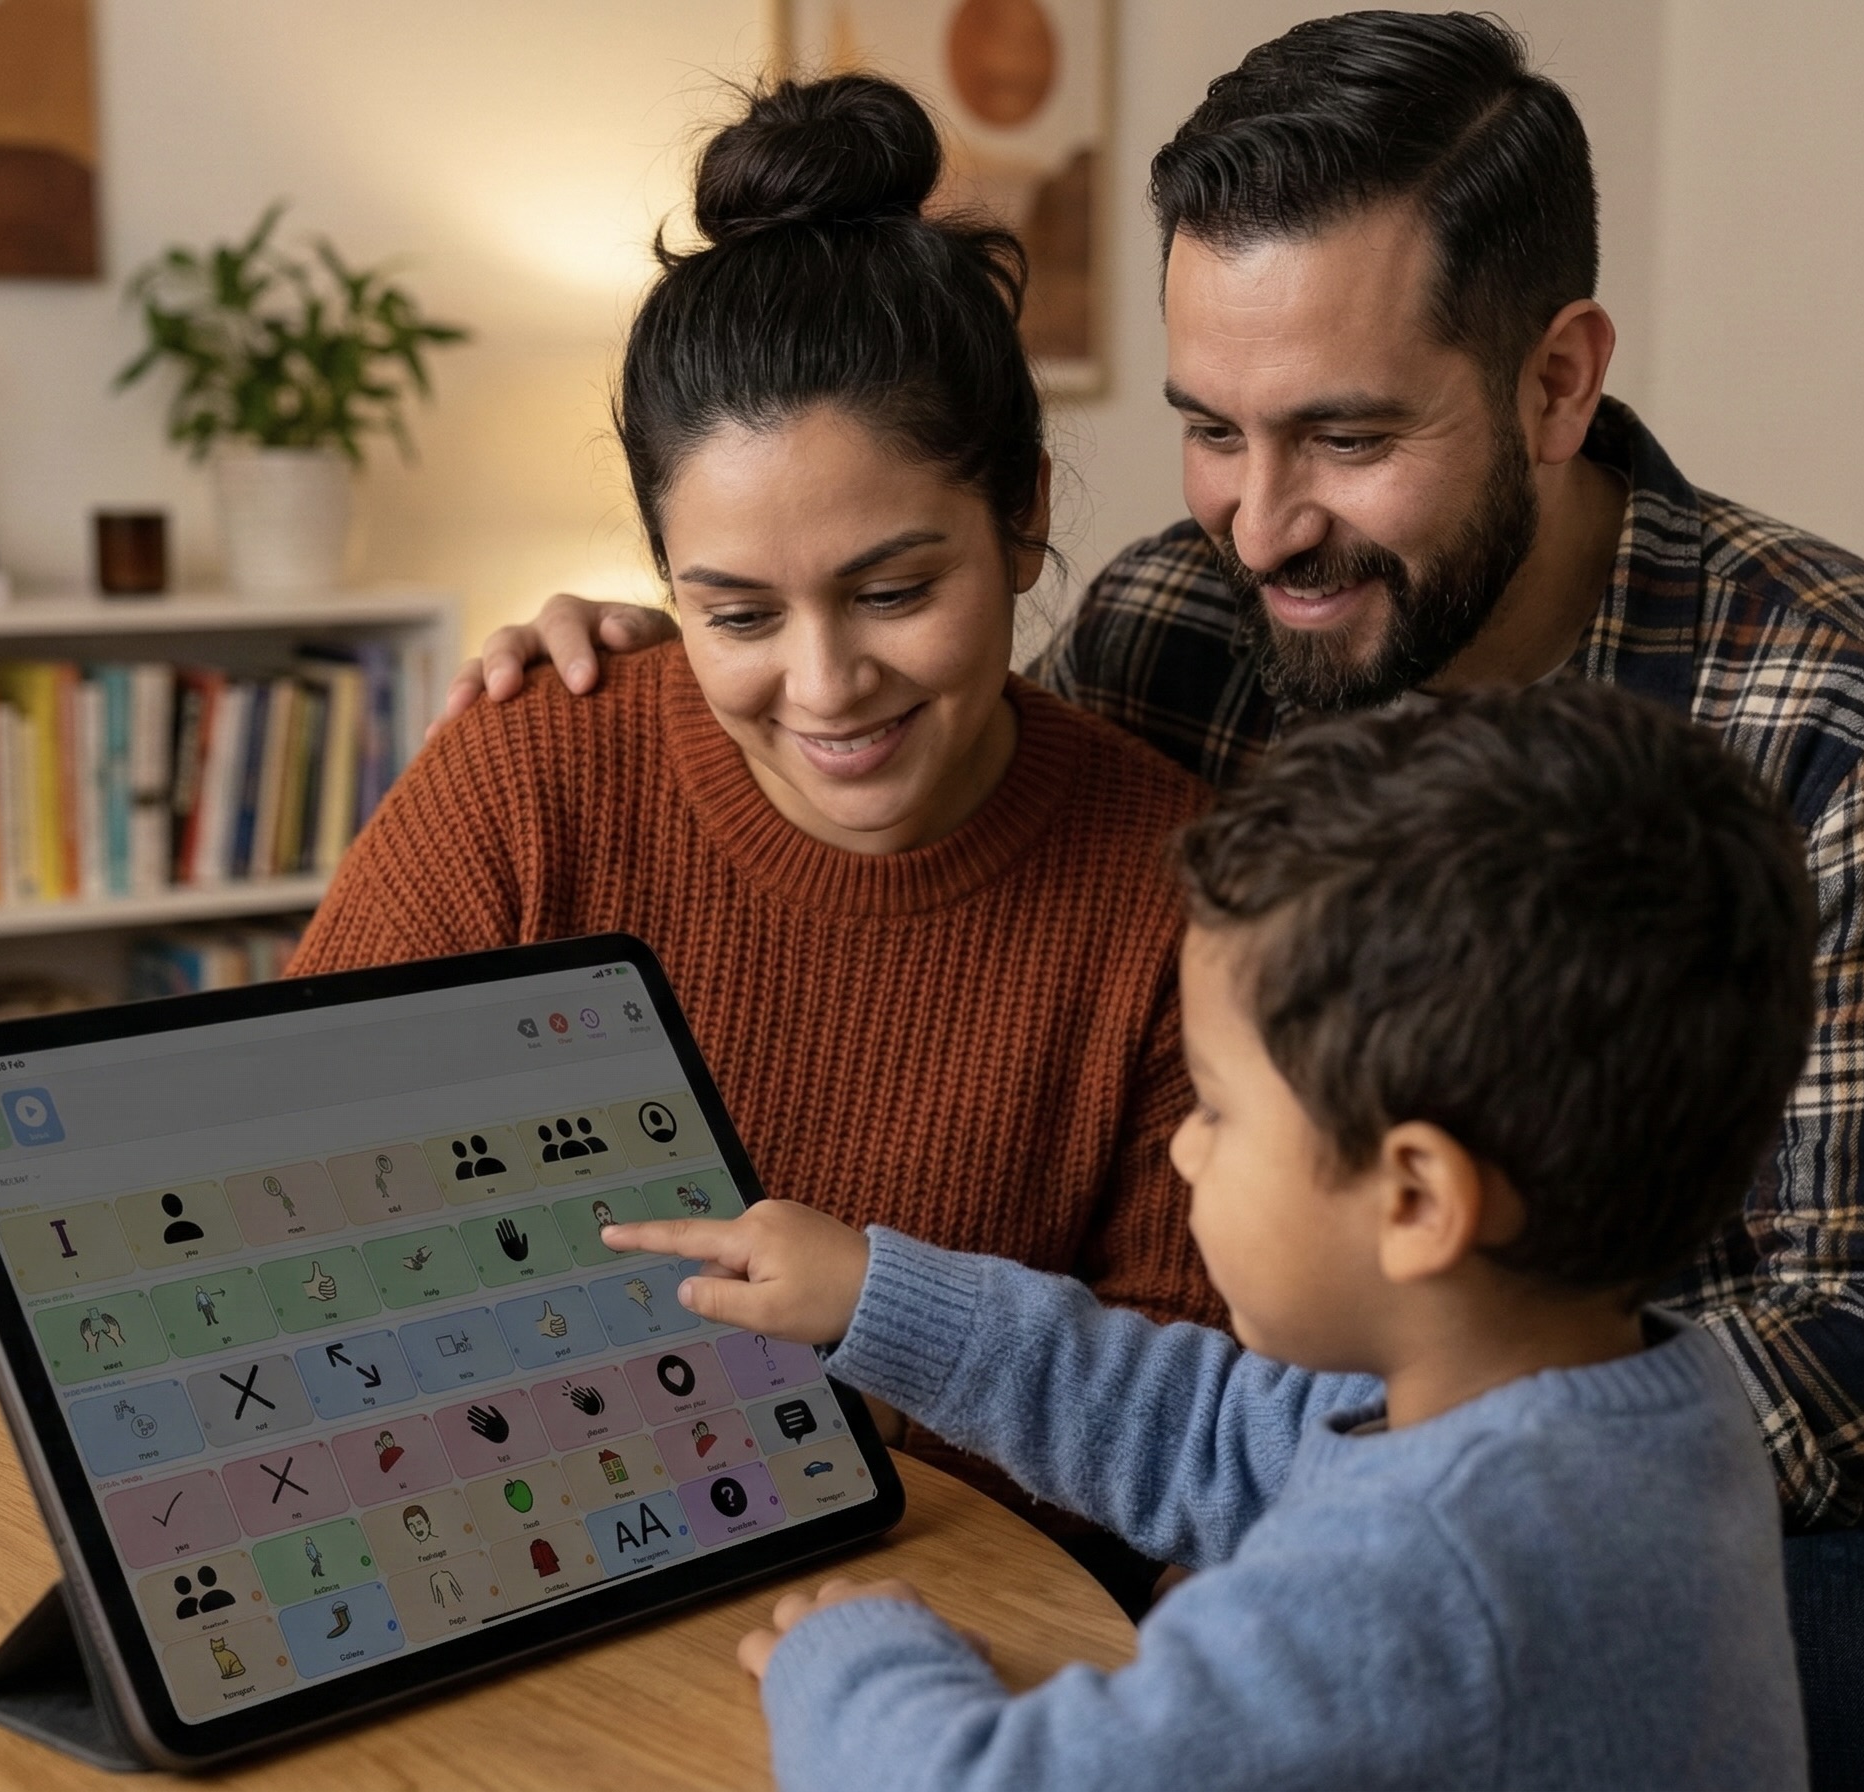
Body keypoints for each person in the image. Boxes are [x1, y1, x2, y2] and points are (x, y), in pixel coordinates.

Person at [450, 16, 1864, 1783]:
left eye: (1345, 434)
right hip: (1353, 1409)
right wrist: (679, 662)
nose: (1264, 524)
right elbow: (949, 808)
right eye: (1212, 431)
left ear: (1555, 381)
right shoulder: (1176, 625)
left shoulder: (1856, 711)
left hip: (1771, 1513)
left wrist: (1434, 1464)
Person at [287, 74, 1221, 1603]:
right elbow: (278, 1207)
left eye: (894, 592)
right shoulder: (532, 771)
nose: (825, 685)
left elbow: (1181, 1427)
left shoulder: (1174, 884)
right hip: (505, 1559)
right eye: (736, 613)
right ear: (663, 576)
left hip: (943, 1628)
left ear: (1024, 517)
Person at [604, 683, 1815, 1791]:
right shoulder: (1625, 1397)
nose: (1184, 1148)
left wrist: (855, 1655)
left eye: (1218, 1110)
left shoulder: (1417, 1577)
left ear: (1413, 1201)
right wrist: (884, 1294)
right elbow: (1214, 1437)